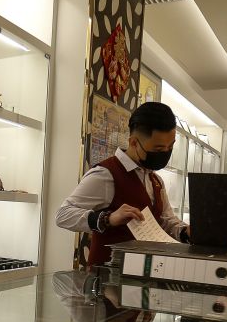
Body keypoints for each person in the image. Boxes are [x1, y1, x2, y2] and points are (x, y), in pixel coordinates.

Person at [56, 101, 189, 266]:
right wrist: (107, 218)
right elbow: (63, 215)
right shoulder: (106, 175)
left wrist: (185, 231)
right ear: (133, 142)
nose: (165, 153)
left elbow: (165, 220)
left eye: (170, 147)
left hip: (143, 274)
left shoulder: (155, 180)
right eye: (158, 149)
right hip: (107, 279)